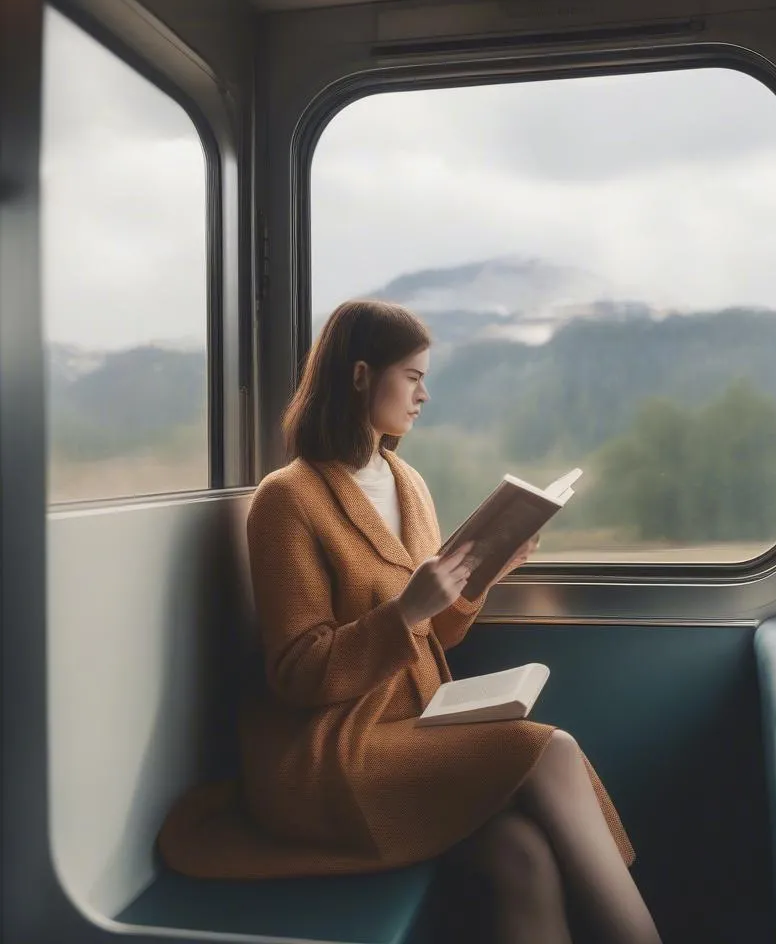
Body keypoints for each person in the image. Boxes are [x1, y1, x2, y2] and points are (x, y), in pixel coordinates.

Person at [159, 299, 661, 944]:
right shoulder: (287, 499)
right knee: (549, 751)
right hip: (331, 753)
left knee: (521, 858)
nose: (426, 393)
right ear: (362, 375)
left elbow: (438, 633)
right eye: (414, 375)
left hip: (408, 730)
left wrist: (485, 576)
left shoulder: (409, 483)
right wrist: (407, 610)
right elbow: (296, 673)